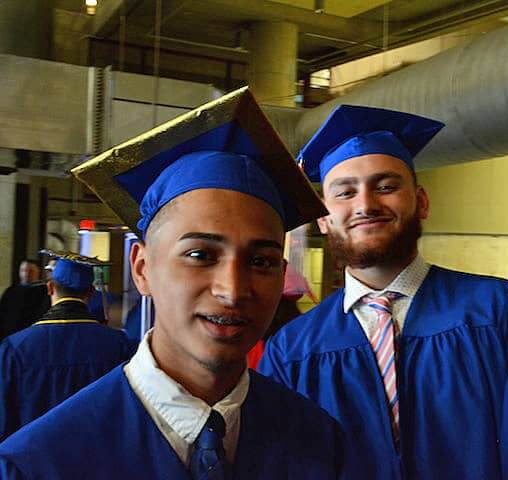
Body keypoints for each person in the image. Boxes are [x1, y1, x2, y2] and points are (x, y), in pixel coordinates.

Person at [0, 89, 344, 479]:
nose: (232, 290)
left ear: (282, 277)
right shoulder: (40, 462)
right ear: (143, 268)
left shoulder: (317, 440)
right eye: (200, 255)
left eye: (260, 261)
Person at [259, 105, 508, 479]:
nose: (366, 204)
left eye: (386, 186)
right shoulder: (292, 352)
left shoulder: (504, 314)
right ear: (324, 218)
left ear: (420, 202)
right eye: (345, 192)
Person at [0, 251, 132, 441]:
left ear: (50, 288)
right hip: (97, 457)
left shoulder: (15, 348)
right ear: (91, 292)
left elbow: (4, 420)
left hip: (33, 459)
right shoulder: (118, 345)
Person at [0, 260, 49, 340]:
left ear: (38, 271)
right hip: (8, 336)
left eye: (31, 271)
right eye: (23, 270)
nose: (26, 274)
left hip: (32, 336)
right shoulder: (11, 291)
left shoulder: (45, 291)